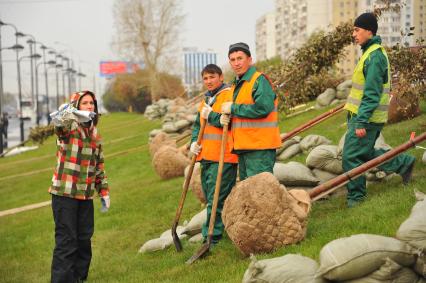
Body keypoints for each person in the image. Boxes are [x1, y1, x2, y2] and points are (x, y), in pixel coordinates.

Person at [343, 12, 416, 208]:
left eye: (357, 30)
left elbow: (372, 94)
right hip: (364, 116)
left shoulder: (374, 56)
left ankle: (356, 200)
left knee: (352, 156)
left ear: (369, 31)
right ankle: (403, 163)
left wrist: (361, 121)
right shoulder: (369, 53)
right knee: (364, 154)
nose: (354, 34)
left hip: (367, 118)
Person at [49, 90, 110, 283]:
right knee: (67, 242)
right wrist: (65, 115)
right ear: (77, 106)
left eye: (91, 103)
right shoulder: (70, 127)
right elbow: (59, 126)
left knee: (84, 241)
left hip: (85, 196)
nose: (89, 106)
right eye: (85, 103)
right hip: (65, 194)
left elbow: (98, 165)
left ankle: (78, 278)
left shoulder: (94, 133)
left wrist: (104, 191)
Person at [190, 64, 238, 244]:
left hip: (224, 156)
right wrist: (194, 142)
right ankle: (219, 229)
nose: (208, 81)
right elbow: (197, 127)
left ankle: (212, 237)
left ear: (220, 77)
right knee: (211, 197)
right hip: (207, 157)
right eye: (205, 78)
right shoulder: (205, 101)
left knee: (216, 199)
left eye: (212, 77)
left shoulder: (229, 95)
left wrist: (212, 116)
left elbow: (228, 121)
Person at [221, 42, 281, 181]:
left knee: (260, 192)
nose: (236, 63)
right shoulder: (237, 85)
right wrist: (227, 119)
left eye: (240, 58)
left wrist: (233, 108)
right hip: (244, 147)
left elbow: (263, 108)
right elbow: (240, 116)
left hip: (259, 149)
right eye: (233, 60)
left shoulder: (259, 80)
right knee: (248, 194)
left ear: (249, 60)